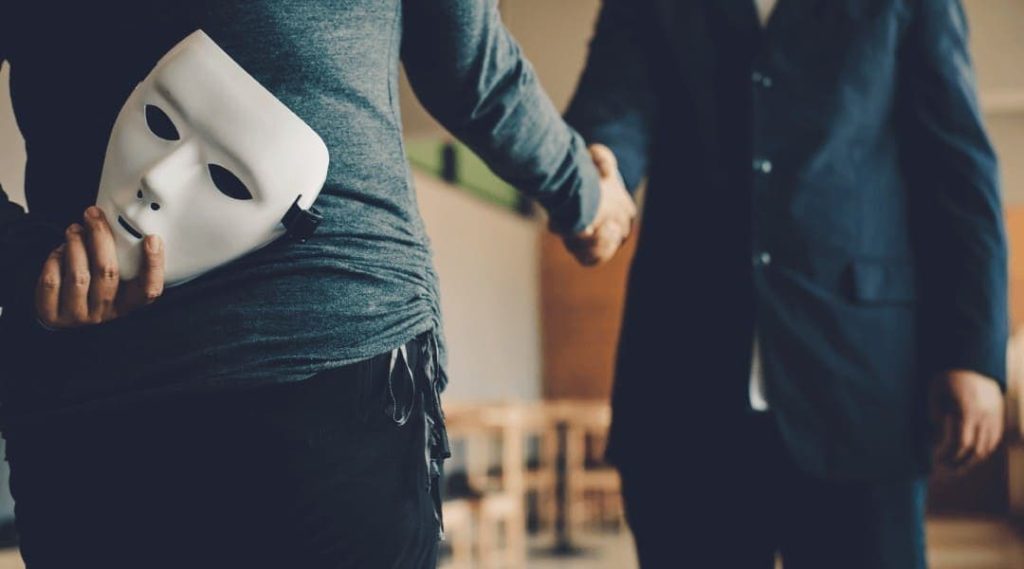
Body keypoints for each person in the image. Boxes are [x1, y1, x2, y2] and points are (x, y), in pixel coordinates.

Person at [0, 2, 635, 567]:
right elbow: (471, 70)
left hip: (111, 379)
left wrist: (25, 258)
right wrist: (586, 196)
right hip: (319, 355)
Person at [566, 0, 1007, 567]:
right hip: (681, 382)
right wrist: (600, 176)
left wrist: (972, 350)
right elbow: (613, 106)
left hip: (862, 387)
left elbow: (958, 169)